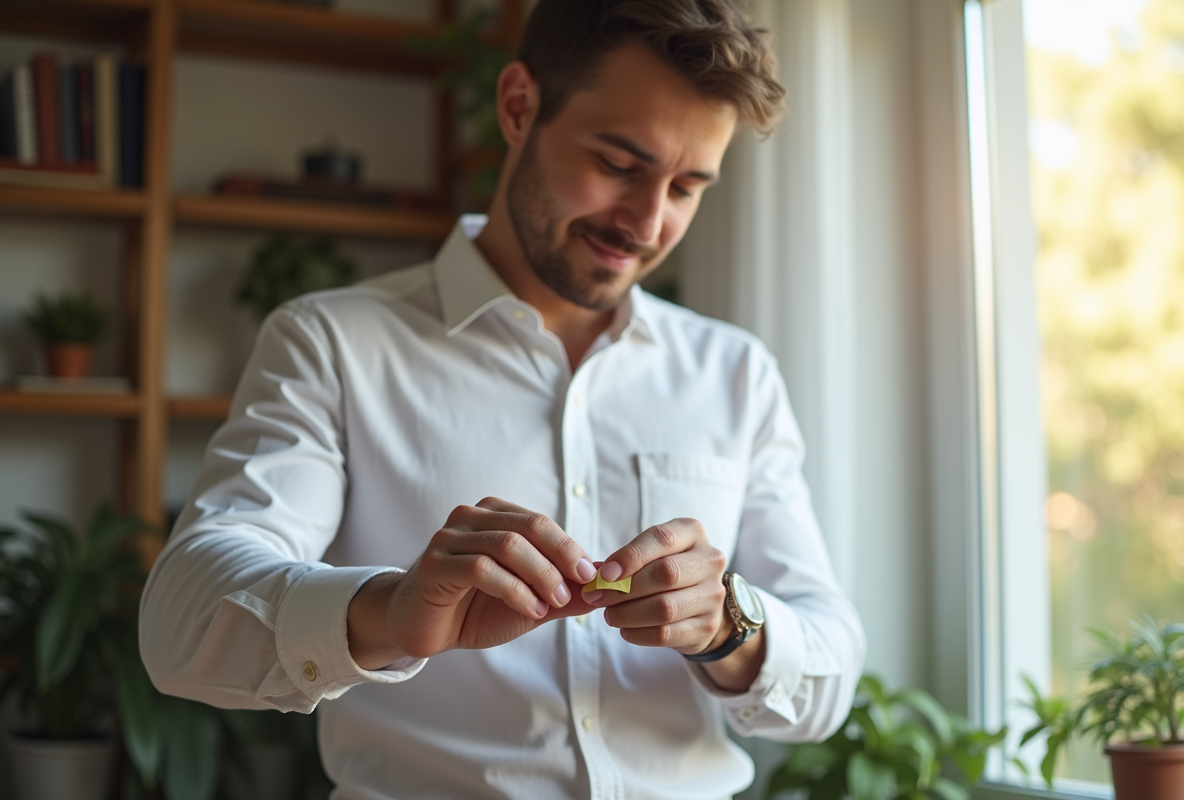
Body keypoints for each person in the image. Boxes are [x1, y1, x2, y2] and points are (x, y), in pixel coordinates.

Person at [139, 1, 866, 798]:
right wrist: (389, 609)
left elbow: (828, 674)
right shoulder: (331, 343)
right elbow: (181, 624)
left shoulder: (737, 373)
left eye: (687, 187)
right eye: (621, 164)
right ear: (520, 106)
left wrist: (729, 624)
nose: (648, 223)